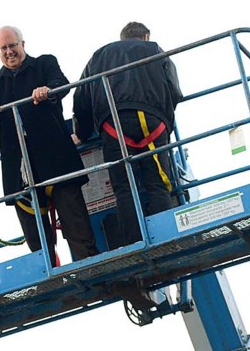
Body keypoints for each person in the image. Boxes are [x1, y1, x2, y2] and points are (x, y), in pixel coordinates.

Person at [0, 26, 99, 265]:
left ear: (22, 44)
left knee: (77, 227)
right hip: (20, 171)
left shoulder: (45, 64)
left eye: (13, 45)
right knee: (37, 240)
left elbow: (60, 84)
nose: (9, 52)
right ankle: (54, 284)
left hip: (57, 161)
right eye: (3, 48)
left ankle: (92, 271)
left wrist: (48, 90)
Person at [73, 21, 183, 247]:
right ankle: (166, 237)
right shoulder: (154, 50)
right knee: (158, 184)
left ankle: (135, 244)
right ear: (146, 36)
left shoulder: (99, 56)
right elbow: (174, 90)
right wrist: (165, 120)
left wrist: (82, 133)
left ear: (122, 38)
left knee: (124, 187)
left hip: (114, 125)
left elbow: (81, 98)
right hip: (152, 122)